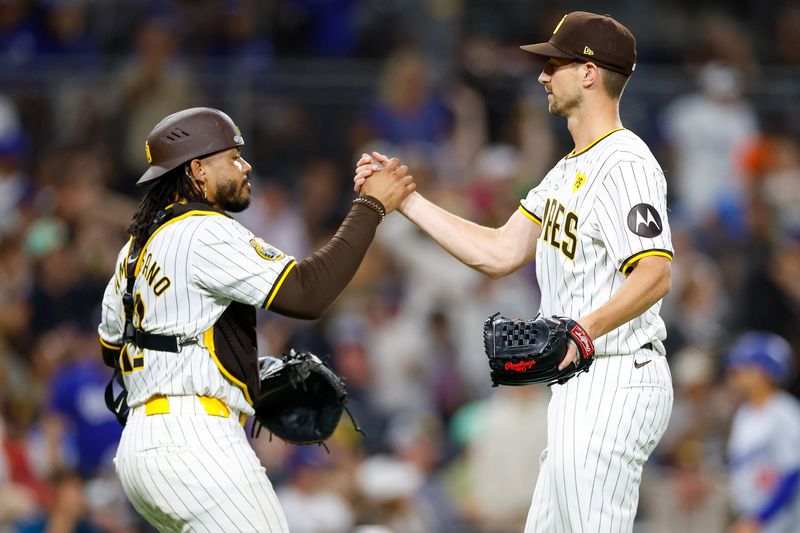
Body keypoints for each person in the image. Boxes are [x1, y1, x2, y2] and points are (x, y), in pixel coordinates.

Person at [355, 11, 673, 532]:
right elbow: (500, 252)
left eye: (555, 64)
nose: (544, 75)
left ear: (589, 73)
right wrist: (405, 202)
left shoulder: (626, 163)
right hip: (580, 381)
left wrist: (582, 329)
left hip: (618, 374)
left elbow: (655, 274)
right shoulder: (567, 170)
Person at [97, 107, 414, 532]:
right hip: (195, 440)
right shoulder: (203, 230)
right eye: (231, 157)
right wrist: (370, 206)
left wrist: (230, 370)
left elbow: (111, 349)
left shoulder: (134, 250)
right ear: (197, 170)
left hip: (142, 447)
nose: (245, 166)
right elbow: (307, 293)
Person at [726, 332, 800, 533]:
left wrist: (759, 519)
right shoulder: (744, 414)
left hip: (785, 520)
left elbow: (794, 474)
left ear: (764, 371)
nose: (737, 372)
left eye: (745, 367)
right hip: (752, 517)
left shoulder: (785, 413)